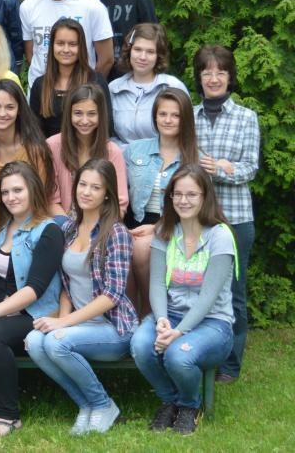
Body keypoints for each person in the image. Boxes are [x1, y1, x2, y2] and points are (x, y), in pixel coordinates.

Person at [27, 158, 138, 435]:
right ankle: (86, 405)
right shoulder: (69, 229)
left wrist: (63, 324)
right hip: (79, 324)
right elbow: (66, 283)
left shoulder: (116, 233)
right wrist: (62, 320)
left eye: (95, 187)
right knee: (34, 342)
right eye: (83, 185)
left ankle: (103, 404)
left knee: (57, 343)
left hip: (113, 328)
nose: (86, 192)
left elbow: (112, 295)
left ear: (107, 193)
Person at [130, 164, 236, 434]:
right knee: (140, 345)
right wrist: (162, 320)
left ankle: (190, 405)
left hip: (213, 322)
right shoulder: (164, 231)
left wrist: (178, 333)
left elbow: (208, 297)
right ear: (170, 197)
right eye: (177, 194)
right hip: (171, 315)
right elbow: (156, 284)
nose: (183, 200)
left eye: (191, 194)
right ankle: (170, 401)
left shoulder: (220, 236)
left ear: (205, 197)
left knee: (177, 355)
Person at [0, 162, 64, 436]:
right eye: (5, 192)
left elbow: (35, 289)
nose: (11, 197)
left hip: (35, 313)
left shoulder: (48, 231)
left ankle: (9, 414)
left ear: (32, 190)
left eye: (18, 190)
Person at [192, 45, 259, 383]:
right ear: (199, 77)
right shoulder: (189, 116)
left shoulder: (246, 117)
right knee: (194, 289)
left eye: (221, 72)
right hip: (195, 218)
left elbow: (250, 168)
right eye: (207, 72)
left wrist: (218, 168)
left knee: (233, 292)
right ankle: (198, 353)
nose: (214, 78)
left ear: (230, 77)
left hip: (235, 219)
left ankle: (230, 365)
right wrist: (218, 167)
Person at [0, 79, 57, 310]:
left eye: (10, 107)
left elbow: (39, 198)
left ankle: (22, 304)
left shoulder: (34, 148)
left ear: (19, 110)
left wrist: (9, 227)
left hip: (27, 221)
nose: (2, 113)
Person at [124, 88, 199, 316]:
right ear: (155, 116)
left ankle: (150, 315)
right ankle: (129, 316)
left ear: (185, 119)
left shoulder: (194, 158)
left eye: (175, 115)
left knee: (141, 248)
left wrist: (157, 227)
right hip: (133, 222)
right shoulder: (134, 150)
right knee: (119, 246)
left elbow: (195, 208)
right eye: (163, 114)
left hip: (173, 225)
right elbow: (120, 193)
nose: (168, 120)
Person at [47, 84, 128, 216]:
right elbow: (50, 199)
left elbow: (119, 204)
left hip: (101, 224)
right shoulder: (52, 146)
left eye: (91, 114)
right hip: (61, 222)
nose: (84, 121)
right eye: (78, 113)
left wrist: (95, 227)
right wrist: (68, 226)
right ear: (69, 114)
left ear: (101, 115)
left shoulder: (113, 152)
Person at [109, 23, 189, 148]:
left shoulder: (172, 86)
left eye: (150, 52)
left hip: (163, 158)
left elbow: (188, 131)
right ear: (129, 51)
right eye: (138, 50)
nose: (143, 57)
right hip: (124, 158)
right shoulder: (114, 88)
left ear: (158, 56)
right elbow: (108, 135)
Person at [29, 18, 113, 138]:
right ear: (52, 46)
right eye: (60, 43)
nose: (66, 50)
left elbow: (107, 126)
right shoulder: (40, 85)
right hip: (49, 148)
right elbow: (35, 131)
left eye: (72, 44)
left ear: (81, 47)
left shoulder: (96, 81)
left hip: (89, 147)